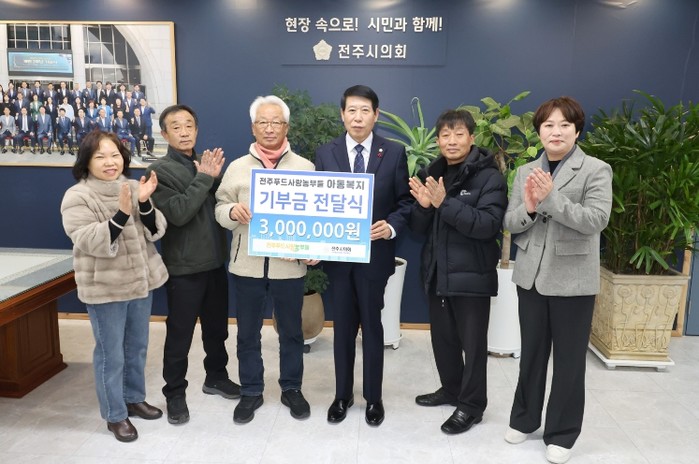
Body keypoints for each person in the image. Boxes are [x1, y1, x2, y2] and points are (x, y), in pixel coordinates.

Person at [503, 97, 612, 464]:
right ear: (539, 131)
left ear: (577, 131)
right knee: (531, 354)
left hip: (573, 280)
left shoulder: (596, 169)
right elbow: (511, 222)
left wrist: (550, 199)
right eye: (548, 125)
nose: (556, 131)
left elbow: (595, 220)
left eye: (565, 125)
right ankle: (524, 419)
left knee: (568, 362)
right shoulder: (525, 171)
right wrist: (530, 208)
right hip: (530, 277)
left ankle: (562, 433)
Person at [60, 130, 168, 442]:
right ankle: (115, 414)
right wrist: (121, 213)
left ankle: (134, 399)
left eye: (115, 155)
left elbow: (156, 230)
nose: (110, 162)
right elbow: (88, 240)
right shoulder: (77, 196)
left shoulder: (133, 186)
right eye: (101, 156)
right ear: (86, 162)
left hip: (141, 283)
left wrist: (143, 202)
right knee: (111, 354)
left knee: (137, 347)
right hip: (105, 288)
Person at [214, 95, 316, 424]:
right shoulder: (237, 168)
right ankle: (251, 390)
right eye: (263, 122)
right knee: (247, 333)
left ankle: (292, 388)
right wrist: (232, 211)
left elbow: (315, 217)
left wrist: (314, 248)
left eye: (276, 122)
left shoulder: (305, 168)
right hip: (247, 265)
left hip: (289, 266)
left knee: (292, 332)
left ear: (287, 126)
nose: (269, 128)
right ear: (253, 127)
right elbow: (219, 207)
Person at [315, 84, 412, 427]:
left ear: (376, 115)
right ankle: (342, 396)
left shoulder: (394, 152)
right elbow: (316, 205)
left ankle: (374, 398)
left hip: (374, 256)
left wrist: (391, 227)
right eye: (352, 110)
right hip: (339, 259)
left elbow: (405, 202)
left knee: (372, 327)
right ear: (342, 114)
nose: (358, 117)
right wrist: (313, 246)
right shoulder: (325, 153)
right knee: (342, 329)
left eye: (365, 110)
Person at [409, 109, 507, 434]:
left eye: (459, 134)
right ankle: (451, 390)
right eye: (445, 135)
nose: (451, 141)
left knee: (473, 346)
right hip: (438, 274)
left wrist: (444, 203)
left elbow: (487, 225)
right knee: (444, 341)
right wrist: (424, 207)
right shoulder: (433, 173)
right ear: (438, 140)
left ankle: (472, 406)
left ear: (471, 138)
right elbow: (418, 228)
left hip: (472, 276)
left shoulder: (489, 177)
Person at [146, 104, 239, 425]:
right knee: (179, 336)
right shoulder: (158, 172)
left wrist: (215, 178)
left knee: (217, 330)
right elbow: (179, 212)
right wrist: (205, 177)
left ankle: (216, 377)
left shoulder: (205, 163)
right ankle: (174, 393)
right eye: (176, 127)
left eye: (189, 126)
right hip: (184, 269)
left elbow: (223, 204)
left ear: (197, 130)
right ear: (164, 133)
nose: (184, 132)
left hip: (215, 263)